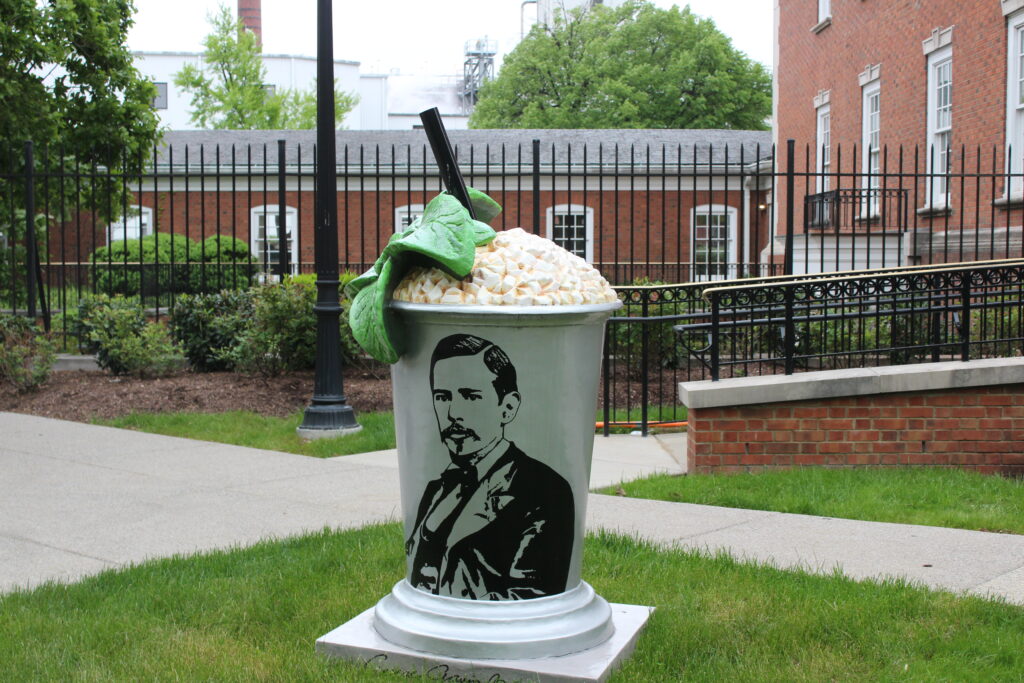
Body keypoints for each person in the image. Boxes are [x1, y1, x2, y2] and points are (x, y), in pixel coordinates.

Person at [405, 333, 575, 601]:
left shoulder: (544, 489)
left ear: (507, 407)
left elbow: (534, 597)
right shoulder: (435, 489)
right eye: (442, 397)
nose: (452, 413)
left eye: (470, 396)